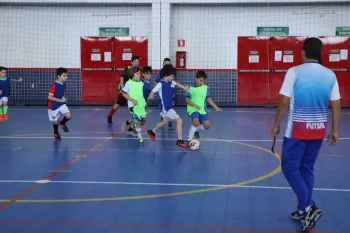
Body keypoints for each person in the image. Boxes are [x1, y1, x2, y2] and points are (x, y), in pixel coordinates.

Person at [270, 37, 341, 232]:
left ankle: (309, 207)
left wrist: (276, 124)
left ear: (302, 52)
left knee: (289, 168)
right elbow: (336, 105)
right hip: (318, 130)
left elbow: (283, 102)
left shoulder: (294, 72)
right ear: (321, 54)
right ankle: (302, 210)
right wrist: (334, 130)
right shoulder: (330, 75)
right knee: (307, 169)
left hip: (297, 130)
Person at [147, 64, 189, 148]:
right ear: (166, 75)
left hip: (166, 107)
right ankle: (180, 140)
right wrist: (151, 95)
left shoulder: (170, 82)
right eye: (172, 76)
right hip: (166, 108)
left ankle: (152, 131)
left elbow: (177, 84)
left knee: (165, 122)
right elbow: (153, 91)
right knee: (179, 121)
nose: (173, 77)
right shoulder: (160, 84)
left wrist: (185, 88)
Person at [185, 70, 222, 144]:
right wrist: (194, 105)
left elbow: (208, 99)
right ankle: (189, 140)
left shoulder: (205, 88)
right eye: (200, 81)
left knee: (207, 126)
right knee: (195, 121)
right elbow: (186, 99)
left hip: (202, 109)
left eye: (203, 81)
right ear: (196, 78)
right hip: (193, 108)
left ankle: (196, 130)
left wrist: (216, 107)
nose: (202, 83)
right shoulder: (190, 88)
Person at [107, 56, 140, 129]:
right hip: (125, 90)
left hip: (133, 92)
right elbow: (121, 79)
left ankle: (132, 124)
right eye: (135, 61)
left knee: (135, 107)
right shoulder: (127, 70)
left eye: (138, 62)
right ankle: (110, 116)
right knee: (118, 104)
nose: (136, 63)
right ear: (131, 62)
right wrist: (122, 89)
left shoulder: (138, 71)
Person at [121, 66, 152, 134]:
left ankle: (129, 127)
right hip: (135, 103)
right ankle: (132, 130)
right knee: (137, 119)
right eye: (147, 74)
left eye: (150, 74)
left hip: (142, 103)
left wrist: (149, 97)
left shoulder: (149, 84)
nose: (149, 75)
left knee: (139, 120)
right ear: (143, 74)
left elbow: (147, 93)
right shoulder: (139, 81)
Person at [47, 67, 72, 140]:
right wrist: (61, 100)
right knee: (55, 121)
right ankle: (56, 132)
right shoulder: (54, 85)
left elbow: (61, 93)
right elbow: (49, 97)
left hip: (60, 103)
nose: (66, 77)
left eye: (66, 75)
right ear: (59, 76)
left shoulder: (64, 83)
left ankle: (62, 123)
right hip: (53, 105)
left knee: (68, 116)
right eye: (64, 76)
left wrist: (63, 99)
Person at [156, 58, 174, 130]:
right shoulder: (160, 73)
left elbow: (173, 82)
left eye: (168, 64)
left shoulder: (171, 73)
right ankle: (163, 119)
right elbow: (157, 82)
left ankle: (170, 123)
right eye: (166, 64)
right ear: (163, 64)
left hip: (169, 93)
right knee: (162, 107)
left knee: (170, 108)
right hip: (162, 93)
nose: (167, 65)